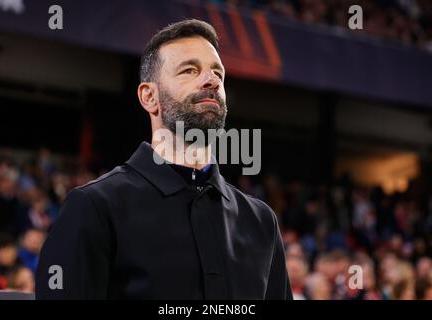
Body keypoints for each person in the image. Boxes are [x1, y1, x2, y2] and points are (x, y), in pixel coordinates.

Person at [36, 19, 292, 300]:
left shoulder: (262, 222)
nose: (211, 80)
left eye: (217, 72)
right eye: (189, 70)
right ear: (149, 97)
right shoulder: (95, 207)